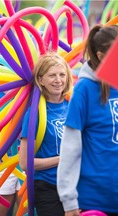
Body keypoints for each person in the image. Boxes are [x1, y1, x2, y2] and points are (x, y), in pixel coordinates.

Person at [57, 25, 118, 216]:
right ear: (101, 56)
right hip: (95, 201)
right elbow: (70, 148)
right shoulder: (85, 90)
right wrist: (69, 201)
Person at [19, 53, 73, 216]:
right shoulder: (34, 114)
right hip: (47, 187)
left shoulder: (74, 105)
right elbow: (24, 163)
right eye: (52, 75)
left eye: (62, 74)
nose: (58, 80)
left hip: (76, 184)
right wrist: (63, 159)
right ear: (41, 80)